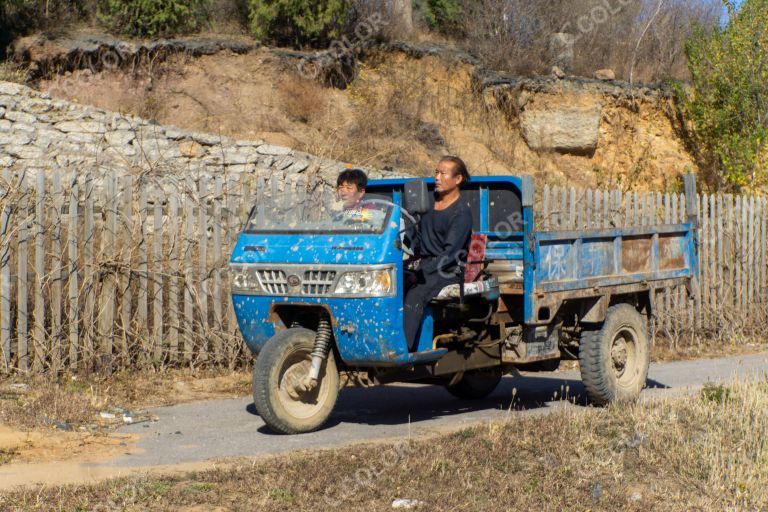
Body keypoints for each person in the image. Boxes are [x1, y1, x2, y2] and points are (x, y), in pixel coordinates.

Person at [403, 156, 473, 352]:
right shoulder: (427, 203)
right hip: (425, 265)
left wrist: (420, 274)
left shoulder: (461, 212)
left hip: (448, 270)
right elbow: (413, 236)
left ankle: (404, 349)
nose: (437, 177)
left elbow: (450, 253)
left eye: (443, 173)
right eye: (436, 172)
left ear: (458, 179)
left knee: (415, 294)